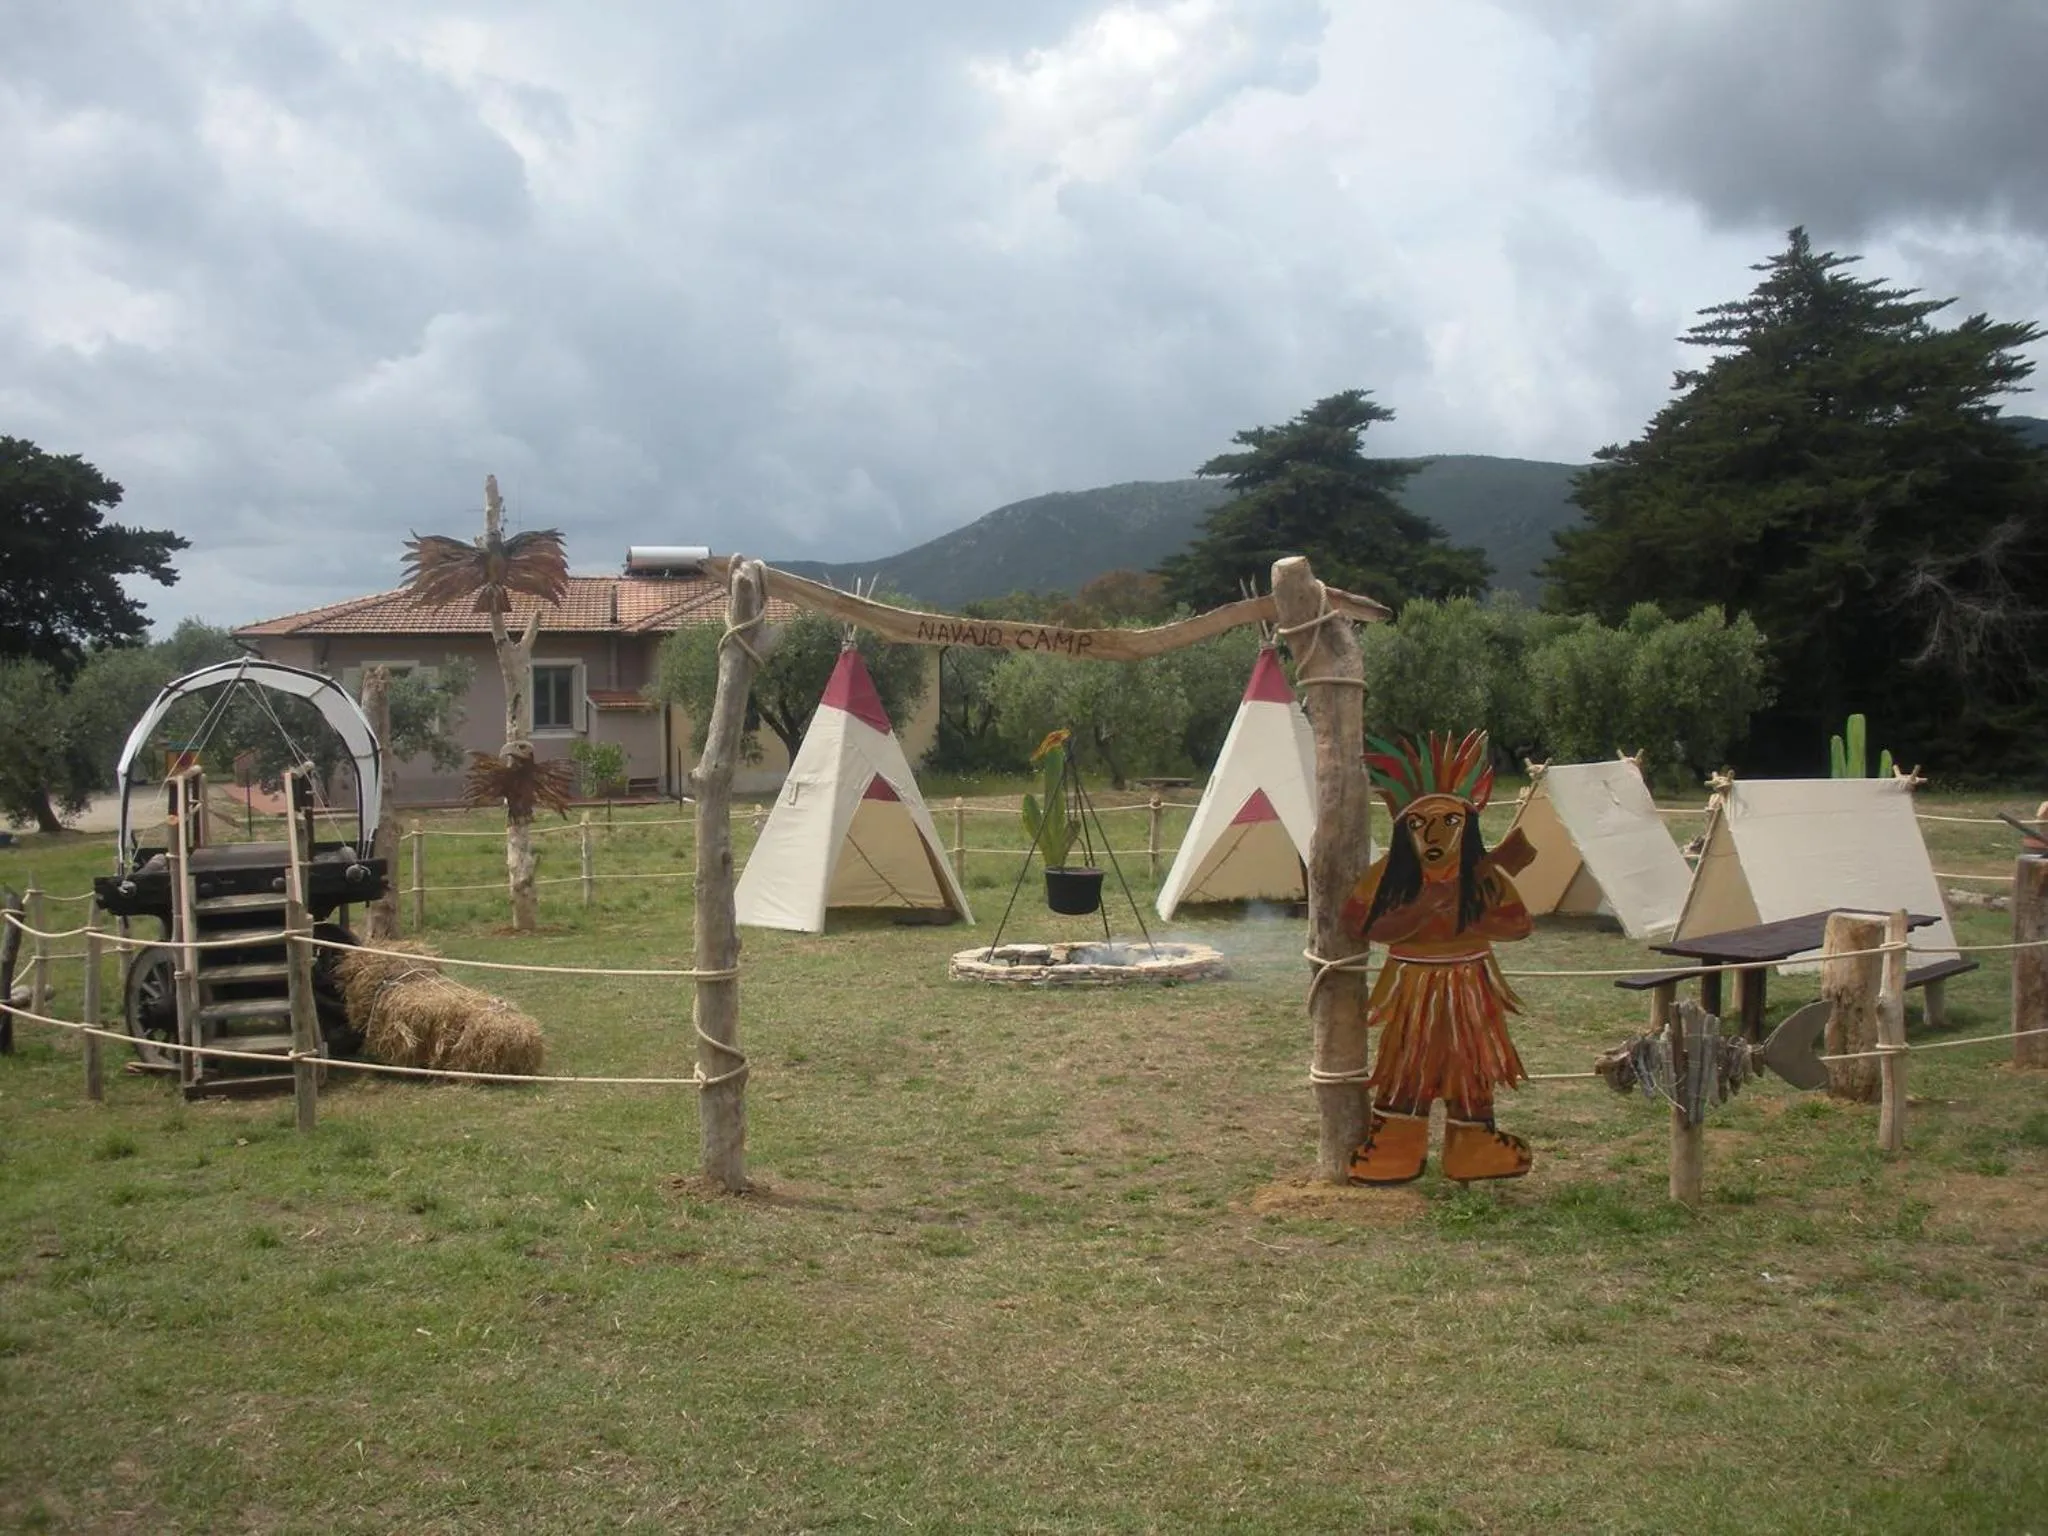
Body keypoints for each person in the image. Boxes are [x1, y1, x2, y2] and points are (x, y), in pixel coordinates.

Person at [1342, 730, 1538, 1185]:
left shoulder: (1483, 878)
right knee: (1407, 1060)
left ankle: (1473, 1141)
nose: (1433, 834)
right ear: (1402, 829)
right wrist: (1422, 908)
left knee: (1471, 1064)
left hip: (1471, 987)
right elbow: (1358, 924)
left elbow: (1520, 924)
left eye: (1449, 821)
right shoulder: (1387, 879)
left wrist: (1472, 915)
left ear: (1467, 826)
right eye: (1418, 824)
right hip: (1413, 988)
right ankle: (1396, 1142)